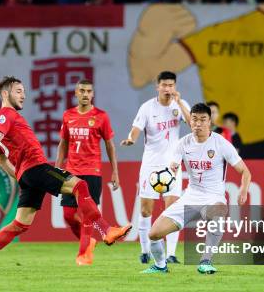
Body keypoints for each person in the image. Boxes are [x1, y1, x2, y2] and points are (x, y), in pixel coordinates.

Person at [0, 76, 131, 275]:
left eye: (23, 91)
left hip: (26, 174)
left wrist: (19, 178)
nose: (23, 95)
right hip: (36, 166)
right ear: (5, 94)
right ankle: (106, 230)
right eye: (18, 91)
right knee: (80, 186)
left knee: (20, 224)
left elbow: (3, 159)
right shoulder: (5, 115)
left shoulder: (8, 120)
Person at [141, 103, 251, 274]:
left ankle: (205, 261)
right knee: (154, 234)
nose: (198, 123)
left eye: (202, 119)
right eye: (194, 119)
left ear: (210, 122)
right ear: (189, 121)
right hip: (190, 196)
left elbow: (245, 171)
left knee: (217, 213)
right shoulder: (182, 143)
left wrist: (243, 190)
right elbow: (172, 167)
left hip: (214, 196)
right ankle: (161, 266)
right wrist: (167, 176)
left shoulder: (221, 143)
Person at [121, 71, 191, 264]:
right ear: (157, 86)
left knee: (173, 209)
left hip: (173, 165)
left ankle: (171, 254)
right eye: (164, 85)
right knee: (145, 210)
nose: (168, 89)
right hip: (151, 165)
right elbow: (136, 129)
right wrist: (130, 139)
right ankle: (145, 251)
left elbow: (193, 124)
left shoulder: (181, 105)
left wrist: (180, 103)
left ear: (175, 87)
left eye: (171, 85)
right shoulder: (147, 108)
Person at [55, 80, 119, 265]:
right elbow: (63, 144)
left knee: (87, 214)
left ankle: (84, 254)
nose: (85, 94)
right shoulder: (68, 115)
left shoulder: (101, 116)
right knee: (68, 215)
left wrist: (115, 172)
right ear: (75, 93)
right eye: (81, 90)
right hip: (71, 171)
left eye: (89, 91)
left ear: (92, 94)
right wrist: (57, 169)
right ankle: (89, 241)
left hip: (92, 171)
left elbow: (110, 145)